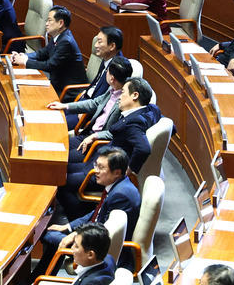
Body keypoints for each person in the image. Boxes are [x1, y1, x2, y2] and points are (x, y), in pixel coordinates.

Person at [60, 79, 160, 215]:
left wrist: (128, 170)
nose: (119, 97)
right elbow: (171, 125)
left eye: (123, 92)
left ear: (135, 95)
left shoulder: (134, 123)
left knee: (59, 181)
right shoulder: (152, 110)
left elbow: (144, 149)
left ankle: (81, 218)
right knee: (61, 169)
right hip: (99, 161)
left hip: (105, 171)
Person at [43, 148, 140, 271]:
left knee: (46, 234)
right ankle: (39, 276)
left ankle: (39, 276)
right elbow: (97, 213)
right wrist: (68, 227)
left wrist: (76, 235)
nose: (95, 171)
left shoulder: (121, 195)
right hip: (97, 237)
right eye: (96, 165)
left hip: (100, 251)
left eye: (101, 167)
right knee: (57, 234)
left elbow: (103, 231)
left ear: (117, 172)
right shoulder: (119, 186)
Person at [49, 58, 134, 149]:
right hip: (89, 134)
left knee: (63, 152)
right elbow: (94, 103)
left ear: (112, 78)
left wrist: (95, 136)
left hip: (98, 144)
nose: (106, 73)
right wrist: (65, 106)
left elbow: (115, 132)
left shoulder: (124, 101)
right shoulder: (112, 90)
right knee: (58, 145)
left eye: (107, 71)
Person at [14, 6, 86, 95]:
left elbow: (50, 65)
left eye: (49, 20)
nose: (46, 24)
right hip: (57, 82)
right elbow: (42, 54)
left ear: (60, 23)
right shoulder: (57, 36)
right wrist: (24, 56)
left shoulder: (66, 42)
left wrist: (25, 62)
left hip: (67, 91)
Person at [69, 26, 126, 114]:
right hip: (86, 99)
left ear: (112, 46)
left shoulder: (116, 68)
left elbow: (106, 100)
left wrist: (85, 112)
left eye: (99, 42)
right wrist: (86, 91)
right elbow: (97, 81)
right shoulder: (107, 57)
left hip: (91, 110)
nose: (95, 45)